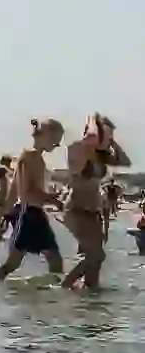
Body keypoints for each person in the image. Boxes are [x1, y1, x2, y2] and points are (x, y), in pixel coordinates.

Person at [60, 113, 131, 290]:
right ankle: (63, 288)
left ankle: (90, 297)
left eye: (111, 137)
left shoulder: (102, 156)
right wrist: (94, 121)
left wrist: (112, 142)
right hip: (76, 210)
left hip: (93, 212)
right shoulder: (78, 150)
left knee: (95, 263)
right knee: (96, 256)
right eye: (106, 136)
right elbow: (89, 139)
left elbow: (125, 161)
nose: (109, 140)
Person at [0, 118, 66, 281]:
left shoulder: (28, 157)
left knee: (50, 259)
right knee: (48, 260)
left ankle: (55, 292)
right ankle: (58, 293)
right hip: (29, 213)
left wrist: (5, 214)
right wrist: (54, 200)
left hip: (31, 212)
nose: (56, 146)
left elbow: (15, 189)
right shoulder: (32, 158)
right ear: (44, 135)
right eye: (55, 141)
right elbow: (28, 192)